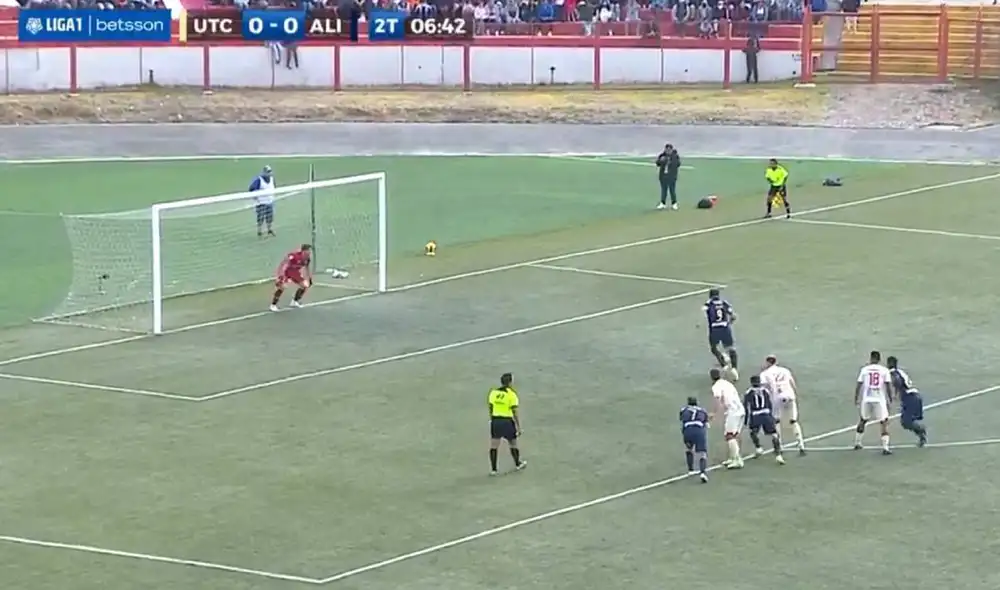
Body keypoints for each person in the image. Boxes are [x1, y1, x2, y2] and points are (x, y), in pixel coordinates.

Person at [759, 354, 806, 455]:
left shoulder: (765, 374)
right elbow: (793, 383)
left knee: (776, 422)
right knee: (793, 421)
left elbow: (763, 388)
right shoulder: (785, 370)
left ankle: (779, 446)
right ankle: (801, 445)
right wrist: (795, 395)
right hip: (790, 396)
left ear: (767, 362)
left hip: (777, 398)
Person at [854, 350, 893, 455]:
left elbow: (859, 384)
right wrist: (890, 398)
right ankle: (885, 448)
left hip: (867, 399)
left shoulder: (865, 369)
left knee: (863, 420)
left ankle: (857, 443)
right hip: (879, 399)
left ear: (871, 358)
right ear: (879, 359)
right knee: (884, 422)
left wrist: (856, 398)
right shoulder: (884, 370)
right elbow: (888, 385)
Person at [488, 372, 526, 475]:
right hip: (507, 421)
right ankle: (518, 464)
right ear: (510, 382)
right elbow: (514, 411)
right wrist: (518, 426)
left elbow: (491, 407)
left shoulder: (494, 393)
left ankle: (494, 469)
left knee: (494, 445)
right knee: (513, 443)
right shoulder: (511, 394)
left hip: (496, 420)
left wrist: (492, 418)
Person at [888, 356, 927, 447]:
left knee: (906, 422)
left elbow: (897, 381)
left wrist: (896, 393)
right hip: (914, 396)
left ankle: (921, 430)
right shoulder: (900, 371)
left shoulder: (893, 373)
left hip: (910, 397)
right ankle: (921, 436)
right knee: (907, 422)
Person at [744, 375, 784, 464]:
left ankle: (758, 448)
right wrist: (771, 415)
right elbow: (770, 403)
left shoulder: (749, 392)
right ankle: (778, 455)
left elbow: (746, 406)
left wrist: (746, 420)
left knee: (753, 432)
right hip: (766, 414)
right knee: (774, 434)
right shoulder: (765, 391)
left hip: (755, 415)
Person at [710, 367, 745, 469]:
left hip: (733, 411)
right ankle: (733, 457)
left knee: (729, 436)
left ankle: (737, 460)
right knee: (734, 435)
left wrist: (714, 413)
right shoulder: (727, 383)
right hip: (740, 409)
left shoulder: (716, 387)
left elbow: (718, 399)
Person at [703, 288, 739, 379]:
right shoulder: (724, 303)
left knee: (714, 348)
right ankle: (734, 368)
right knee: (731, 348)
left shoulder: (708, 304)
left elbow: (704, 311)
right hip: (725, 328)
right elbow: (734, 316)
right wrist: (728, 323)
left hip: (714, 329)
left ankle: (724, 363)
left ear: (710, 295)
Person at [270, 244, 312, 312]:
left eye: (310, 251)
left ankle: (294, 301)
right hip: (286, 271)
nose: (309, 252)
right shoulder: (294, 256)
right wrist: (280, 275)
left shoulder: (307, 259)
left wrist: (309, 278)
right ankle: (273, 305)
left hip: (295, 272)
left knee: (305, 285)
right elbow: (283, 263)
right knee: (282, 287)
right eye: (308, 251)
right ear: (303, 251)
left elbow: (307, 268)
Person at [679, 396, 711, 482]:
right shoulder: (702, 411)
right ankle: (703, 473)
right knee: (702, 453)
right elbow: (707, 424)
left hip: (687, 431)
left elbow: (682, 420)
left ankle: (691, 470)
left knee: (688, 448)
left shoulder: (683, 410)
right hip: (698, 431)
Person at [249, 165, 277, 237]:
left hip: (270, 202)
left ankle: (269, 230)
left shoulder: (272, 179)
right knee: (260, 217)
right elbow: (251, 188)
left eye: (270, 172)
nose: (269, 173)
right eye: (267, 172)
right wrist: (255, 196)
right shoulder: (259, 180)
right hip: (261, 203)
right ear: (264, 172)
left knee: (270, 217)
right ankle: (259, 231)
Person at [655, 143, 682, 210]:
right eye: (667, 150)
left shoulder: (675, 156)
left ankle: (674, 203)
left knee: (672, 190)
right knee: (664, 190)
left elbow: (678, 164)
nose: (668, 151)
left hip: (672, 176)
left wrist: (671, 161)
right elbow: (657, 163)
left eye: (669, 150)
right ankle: (663, 203)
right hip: (663, 176)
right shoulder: (662, 155)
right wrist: (661, 161)